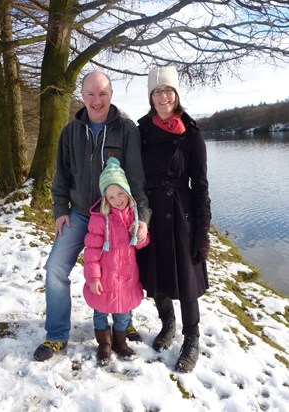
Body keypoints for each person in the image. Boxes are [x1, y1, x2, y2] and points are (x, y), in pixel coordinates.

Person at [33, 71, 151, 362]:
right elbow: (60, 176)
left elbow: (136, 179)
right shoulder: (71, 131)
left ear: (111, 95)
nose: (96, 101)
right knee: (55, 269)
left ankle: (125, 321)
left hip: (117, 217)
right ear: (82, 95)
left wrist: (143, 216)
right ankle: (57, 335)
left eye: (102, 94)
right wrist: (60, 210)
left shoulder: (126, 130)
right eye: (90, 94)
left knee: (123, 267)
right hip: (79, 214)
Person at [136, 66, 211, 373]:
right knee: (156, 274)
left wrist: (202, 232)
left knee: (188, 280)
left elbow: (201, 185)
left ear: (176, 94)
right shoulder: (141, 130)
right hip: (151, 212)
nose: (163, 96)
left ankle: (191, 338)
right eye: (157, 92)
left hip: (182, 214)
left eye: (167, 91)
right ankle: (168, 323)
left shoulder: (191, 133)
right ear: (151, 98)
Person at [83, 157, 150, 366]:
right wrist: (93, 277)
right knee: (100, 312)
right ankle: (104, 344)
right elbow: (92, 251)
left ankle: (120, 343)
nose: (117, 199)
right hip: (104, 277)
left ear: (127, 192)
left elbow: (142, 245)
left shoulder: (134, 216)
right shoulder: (99, 219)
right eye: (111, 196)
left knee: (122, 314)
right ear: (105, 199)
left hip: (126, 278)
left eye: (120, 193)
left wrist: (139, 235)